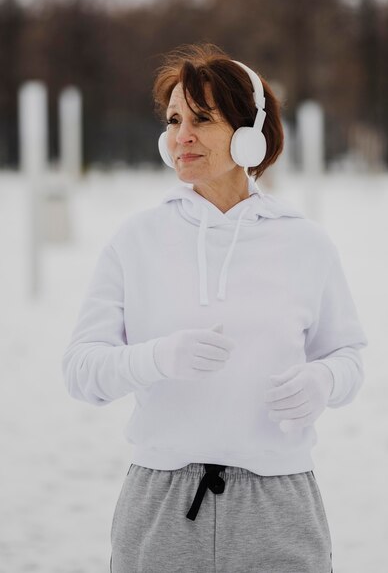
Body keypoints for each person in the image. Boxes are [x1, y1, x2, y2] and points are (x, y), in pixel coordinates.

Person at [62, 43, 368, 573]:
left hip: (279, 501)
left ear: (250, 133)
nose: (181, 137)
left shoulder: (305, 244)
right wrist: (156, 358)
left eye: (201, 120)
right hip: (159, 502)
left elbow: (349, 358)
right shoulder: (136, 239)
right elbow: (81, 371)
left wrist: (325, 381)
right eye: (175, 119)